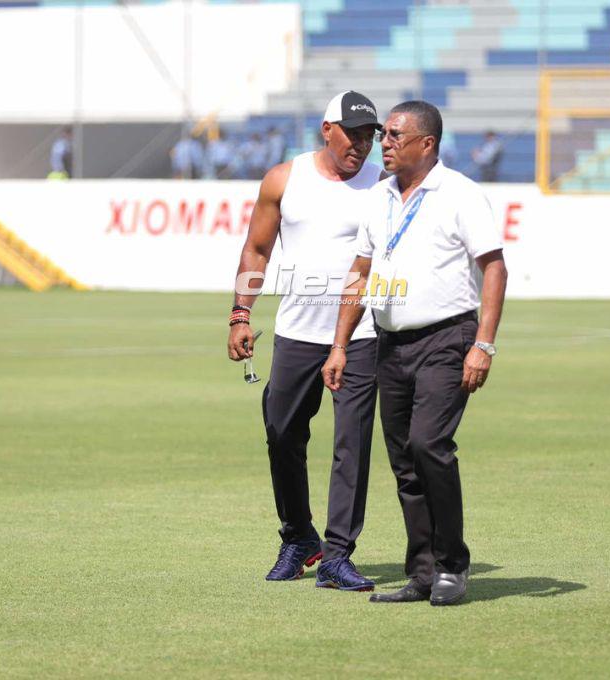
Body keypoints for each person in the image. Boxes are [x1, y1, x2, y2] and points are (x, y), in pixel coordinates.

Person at [322, 100, 508, 606]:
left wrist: (483, 345)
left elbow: (494, 267)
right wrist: (340, 345)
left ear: (426, 144)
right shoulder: (379, 197)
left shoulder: (460, 194)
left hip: (447, 340)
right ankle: (423, 573)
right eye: (384, 134)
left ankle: (453, 566)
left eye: (395, 135)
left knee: (429, 446)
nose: (383, 141)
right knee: (405, 462)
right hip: (390, 343)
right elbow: (360, 273)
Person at [227, 91, 385, 591]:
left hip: (360, 334)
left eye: (369, 136)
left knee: (351, 445)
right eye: (352, 133)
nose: (361, 144)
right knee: (281, 434)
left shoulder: (383, 186)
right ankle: (299, 537)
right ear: (326, 129)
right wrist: (240, 313)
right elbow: (256, 249)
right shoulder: (283, 178)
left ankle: (338, 554)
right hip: (296, 331)